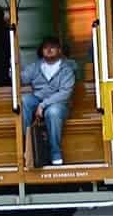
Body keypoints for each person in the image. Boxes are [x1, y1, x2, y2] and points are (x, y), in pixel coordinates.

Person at [21, 36, 76, 166]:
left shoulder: (67, 68)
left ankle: (55, 153)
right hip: (38, 100)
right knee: (25, 100)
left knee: (53, 112)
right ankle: (27, 146)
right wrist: (13, 66)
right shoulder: (35, 66)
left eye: (53, 47)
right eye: (45, 47)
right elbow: (22, 79)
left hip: (59, 104)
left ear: (60, 50)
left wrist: (43, 105)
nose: (49, 49)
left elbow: (65, 93)